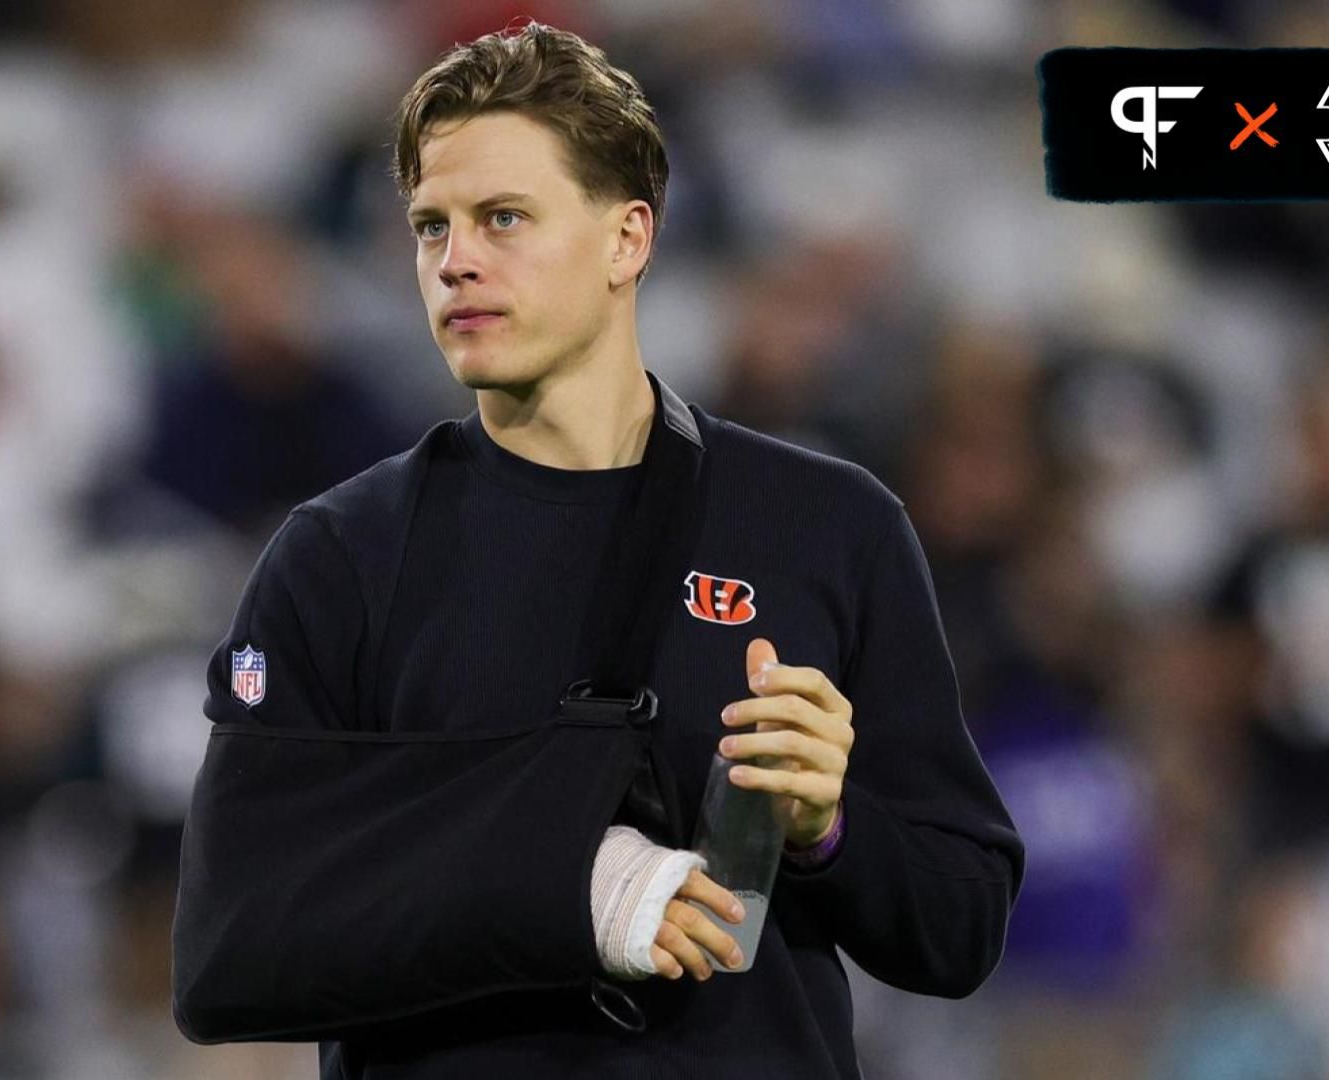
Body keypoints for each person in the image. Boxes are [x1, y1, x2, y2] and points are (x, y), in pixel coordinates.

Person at [171, 21, 1024, 1079]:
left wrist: (826, 827)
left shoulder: (826, 525)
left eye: (504, 218)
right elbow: (230, 953)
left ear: (628, 239)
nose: (457, 261)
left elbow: (961, 928)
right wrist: (574, 887)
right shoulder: (340, 556)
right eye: (431, 227)